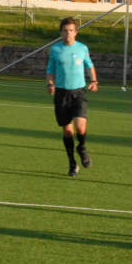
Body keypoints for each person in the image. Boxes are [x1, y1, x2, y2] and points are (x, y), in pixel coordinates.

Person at [46, 17, 98, 176]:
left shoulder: (82, 48)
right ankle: (72, 163)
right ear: (61, 32)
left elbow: (89, 66)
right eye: (65, 30)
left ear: (76, 32)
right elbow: (50, 70)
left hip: (79, 93)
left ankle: (81, 148)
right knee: (68, 133)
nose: (68, 33)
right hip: (62, 94)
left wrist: (94, 81)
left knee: (80, 127)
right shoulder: (55, 49)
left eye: (71, 30)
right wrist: (50, 84)